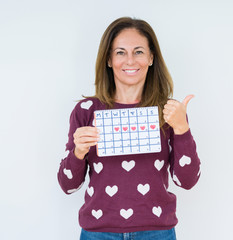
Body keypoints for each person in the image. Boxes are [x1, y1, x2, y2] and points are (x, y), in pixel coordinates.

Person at [57, 17, 201, 240]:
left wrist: (182, 129)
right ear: (108, 59)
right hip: (98, 233)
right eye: (120, 52)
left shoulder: (169, 112)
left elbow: (187, 181)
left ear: (151, 57)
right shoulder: (86, 111)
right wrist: (78, 152)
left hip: (157, 232)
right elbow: (68, 185)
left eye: (139, 52)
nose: (130, 60)